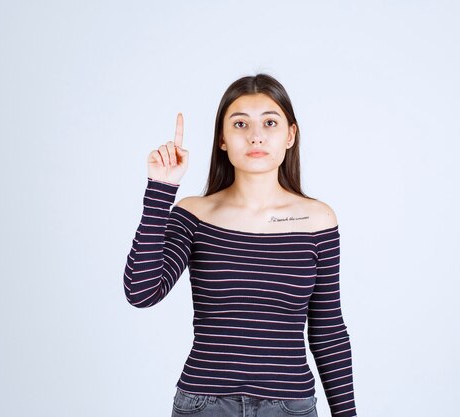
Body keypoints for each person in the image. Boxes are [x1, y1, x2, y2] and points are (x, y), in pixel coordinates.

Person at [123, 73, 357, 417]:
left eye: (270, 122)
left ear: (290, 135)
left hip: (289, 407)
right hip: (204, 405)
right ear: (222, 138)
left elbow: (327, 329)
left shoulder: (318, 220)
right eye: (240, 124)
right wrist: (161, 188)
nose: (256, 135)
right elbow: (141, 293)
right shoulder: (195, 214)